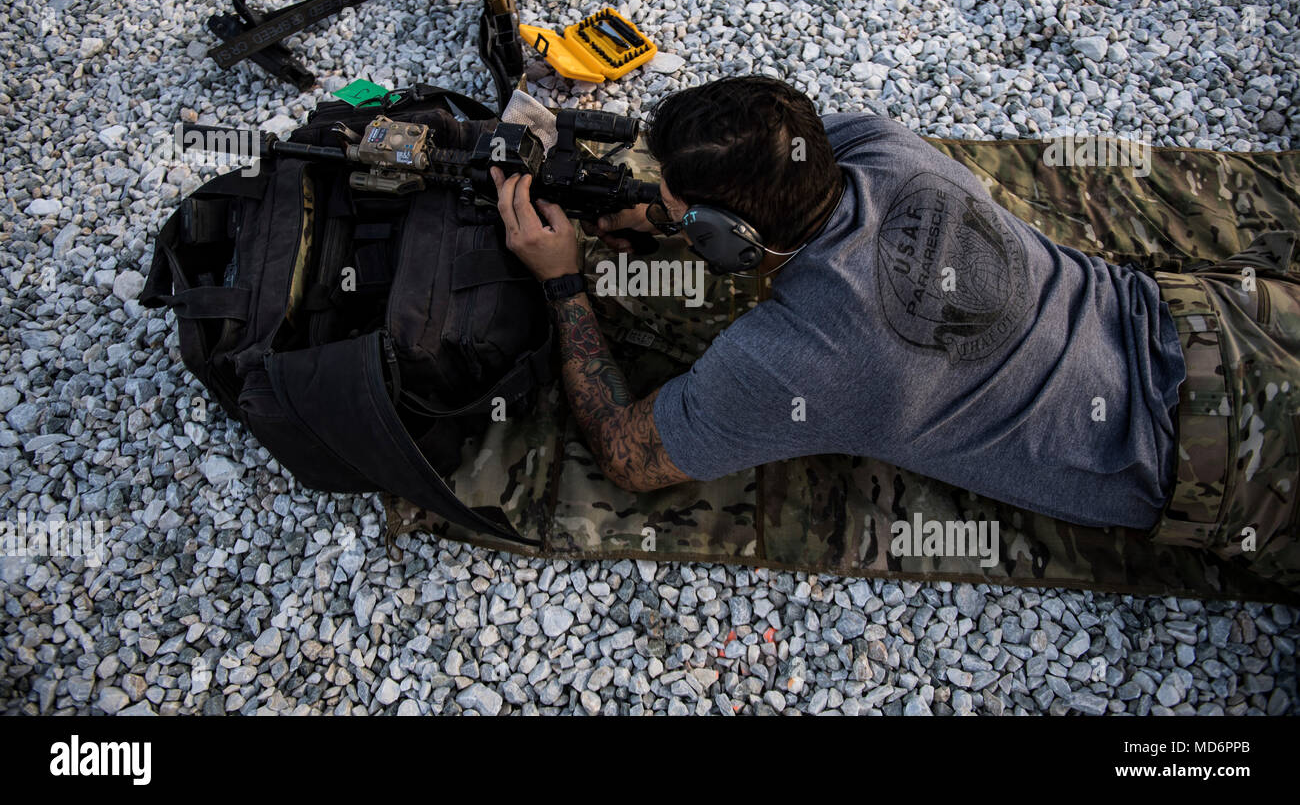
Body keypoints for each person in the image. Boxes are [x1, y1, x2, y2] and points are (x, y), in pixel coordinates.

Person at [490, 75, 1300, 593]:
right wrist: (651, 214)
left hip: (1230, 457)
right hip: (1223, 316)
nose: (658, 208)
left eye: (677, 209)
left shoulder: (805, 362)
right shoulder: (875, 145)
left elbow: (629, 457)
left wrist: (562, 280)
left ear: (728, 240)